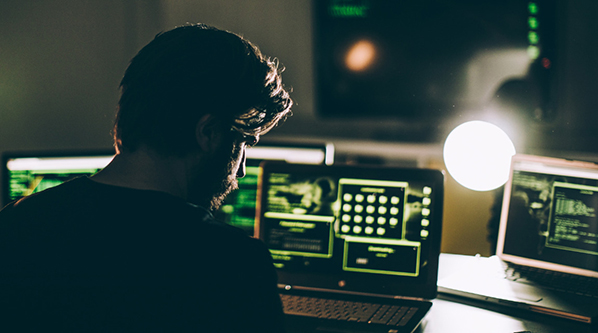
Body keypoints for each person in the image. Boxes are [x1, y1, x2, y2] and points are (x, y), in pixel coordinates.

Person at [0, 23, 292, 332]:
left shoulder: (15, 224)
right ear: (208, 132)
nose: (241, 170)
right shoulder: (234, 263)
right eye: (244, 143)